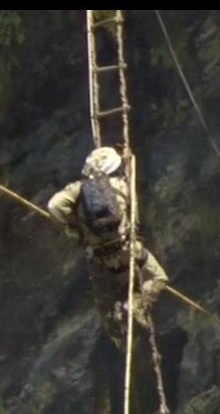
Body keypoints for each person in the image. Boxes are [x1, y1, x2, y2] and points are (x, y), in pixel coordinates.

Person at [48, 146, 169, 347]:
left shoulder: (78, 190)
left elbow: (54, 206)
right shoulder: (121, 185)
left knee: (107, 304)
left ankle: (119, 338)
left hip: (98, 258)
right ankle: (135, 305)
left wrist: (74, 227)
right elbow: (132, 214)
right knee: (158, 277)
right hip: (127, 250)